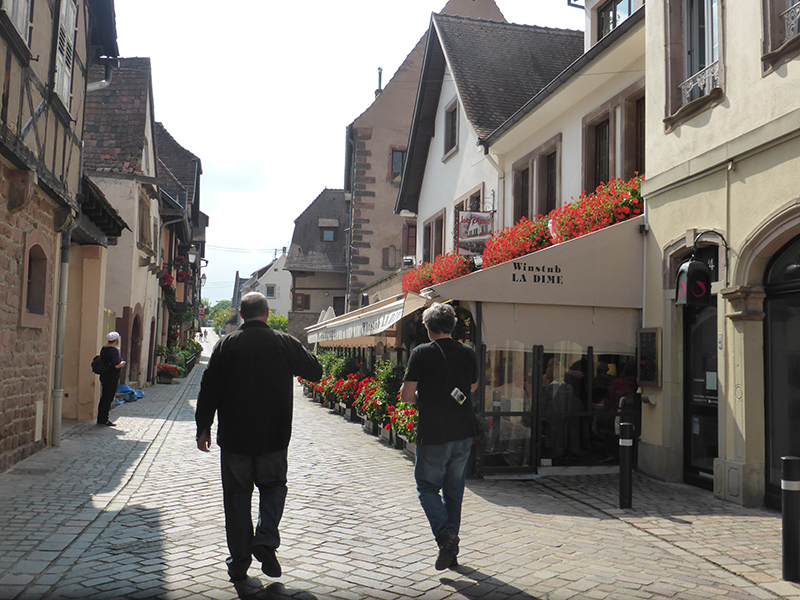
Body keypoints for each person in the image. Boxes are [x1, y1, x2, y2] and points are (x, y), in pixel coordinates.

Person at [195, 292, 322, 582]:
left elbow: (209, 387)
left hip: (235, 437)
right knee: (274, 487)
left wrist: (204, 426)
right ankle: (265, 539)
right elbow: (315, 371)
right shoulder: (283, 342)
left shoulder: (226, 344)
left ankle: (239, 562)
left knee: (237, 498)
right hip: (274, 436)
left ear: (241, 314)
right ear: (266, 313)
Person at [400, 302, 478, 571]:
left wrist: (425, 396)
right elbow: (474, 386)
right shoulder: (468, 352)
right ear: (452, 326)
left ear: (428, 327)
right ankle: (451, 551)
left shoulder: (421, 353)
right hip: (463, 430)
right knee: (454, 491)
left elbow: (407, 396)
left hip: (434, 431)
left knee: (427, 487)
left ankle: (445, 535)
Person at [98, 331, 126, 426]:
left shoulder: (103, 349)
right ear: (116, 340)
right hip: (112, 377)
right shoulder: (114, 350)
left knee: (104, 397)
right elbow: (116, 365)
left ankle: (101, 418)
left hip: (104, 376)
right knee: (108, 398)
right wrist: (122, 364)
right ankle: (104, 419)